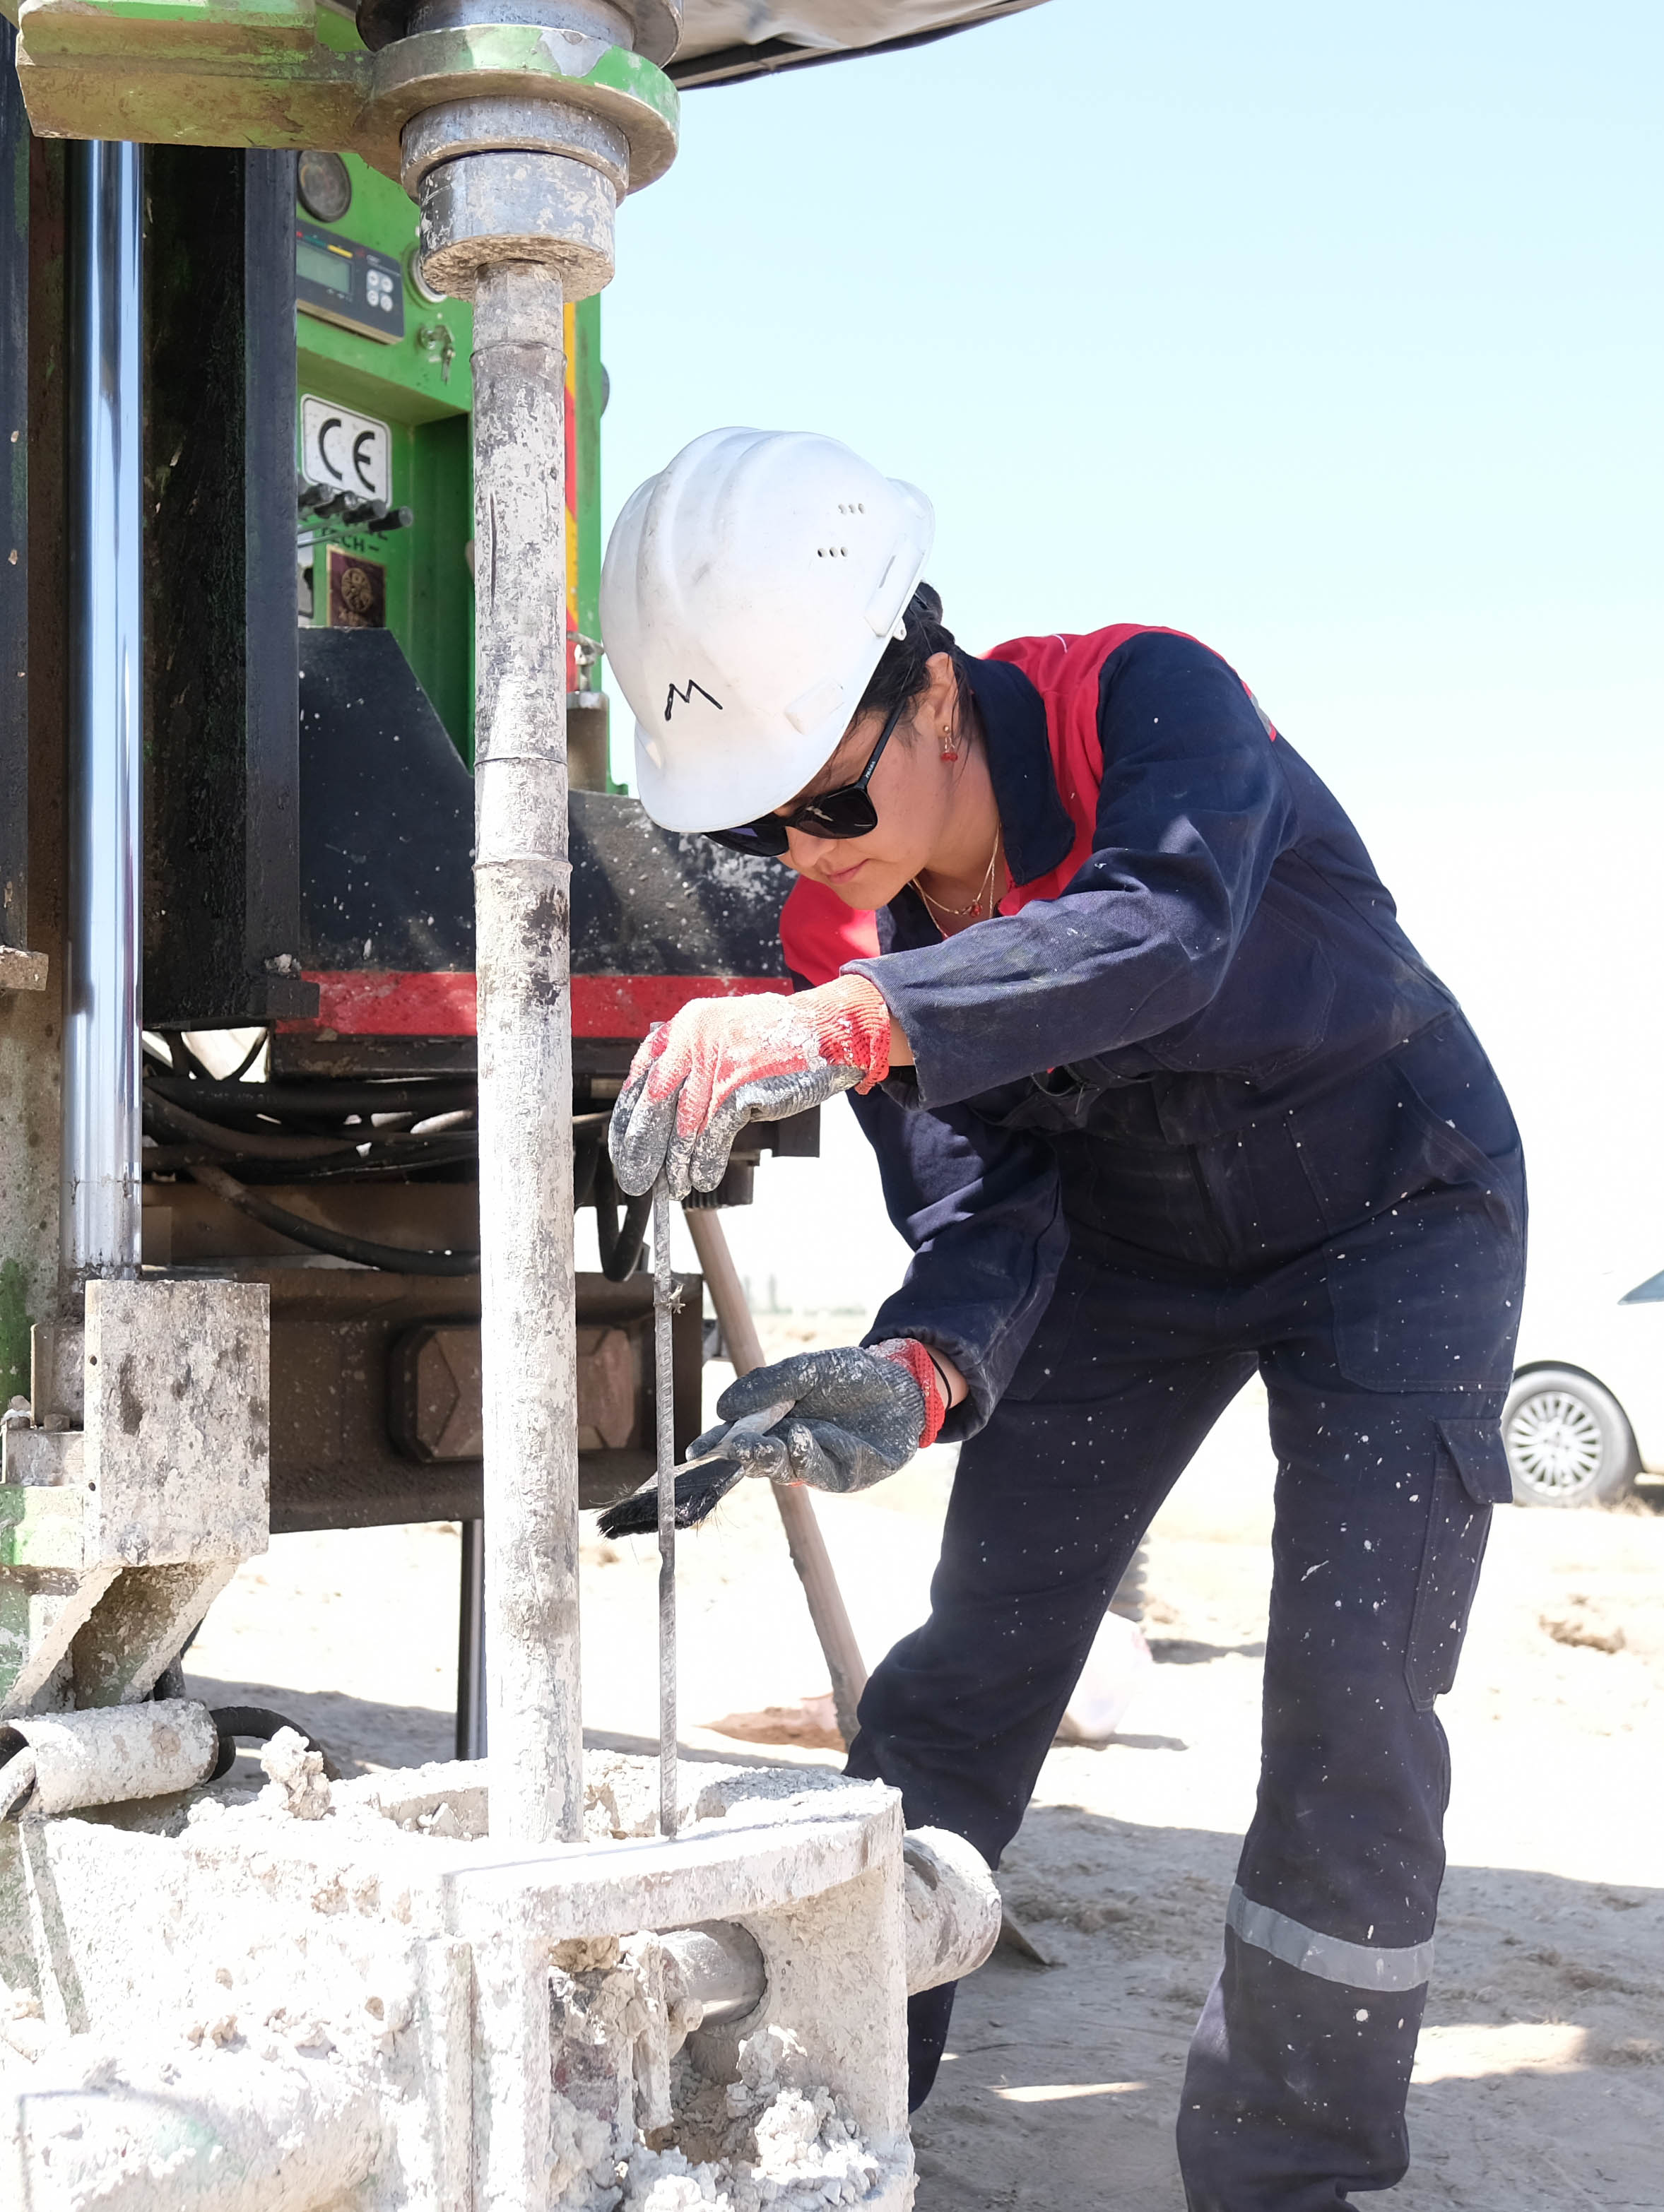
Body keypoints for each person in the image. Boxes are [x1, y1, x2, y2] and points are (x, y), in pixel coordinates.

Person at [596, 427, 1525, 2212]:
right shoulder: (836, 934)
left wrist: (852, 1023)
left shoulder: (1144, 706)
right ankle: (833, 2121)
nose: (798, 853)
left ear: (934, 695)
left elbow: (1159, 932)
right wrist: (919, 1366)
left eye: (824, 803)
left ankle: (1284, 2179)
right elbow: (980, 1200)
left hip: (1395, 1208)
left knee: (1349, 1697)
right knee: (968, 1671)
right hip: (1128, 1251)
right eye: (752, 823)